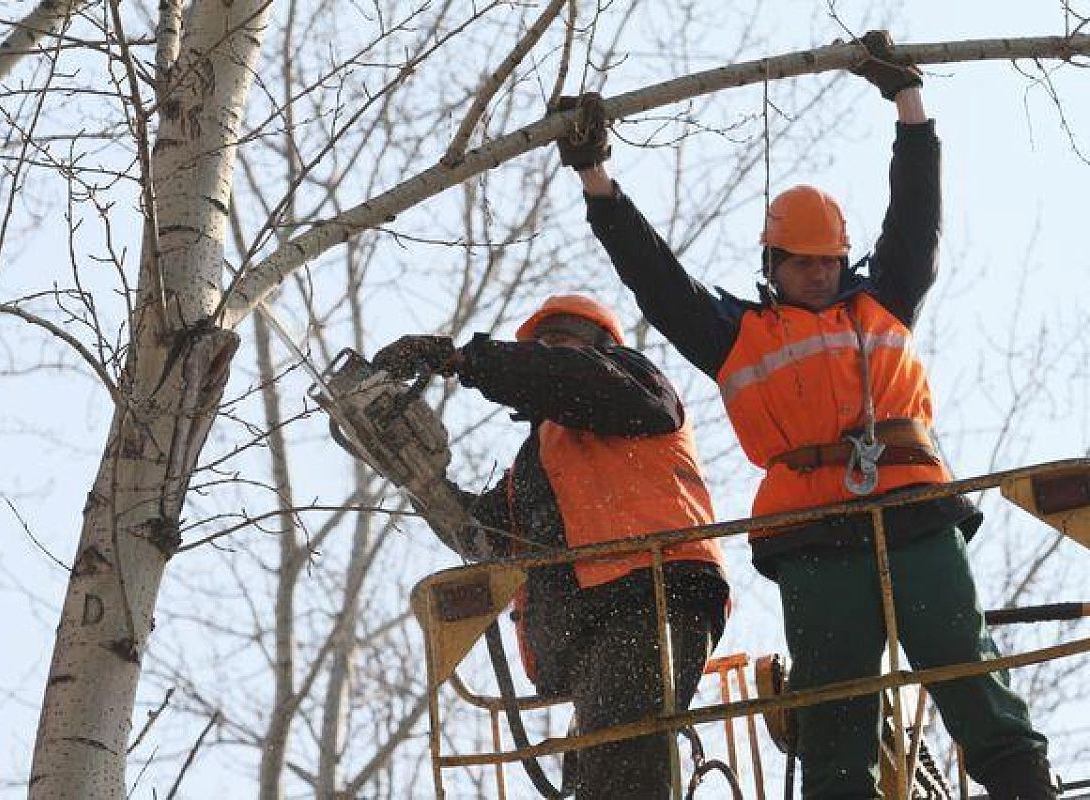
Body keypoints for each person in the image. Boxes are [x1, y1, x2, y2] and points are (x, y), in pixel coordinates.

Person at [555, 31, 1056, 800]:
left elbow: (916, 216)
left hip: (914, 510)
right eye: (801, 263)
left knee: (961, 657)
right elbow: (657, 281)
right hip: (815, 536)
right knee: (833, 698)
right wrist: (597, 179)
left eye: (828, 261)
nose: (819, 274)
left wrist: (908, 104)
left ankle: (1024, 786)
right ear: (773, 267)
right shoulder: (737, 336)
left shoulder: (883, 300)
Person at [372, 294, 730, 799]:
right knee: (593, 774)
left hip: (653, 596)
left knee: (618, 766)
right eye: (537, 346)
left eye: (558, 342)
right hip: (595, 627)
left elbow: (570, 377)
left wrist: (461, 360)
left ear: (600, 347)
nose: (544, 353)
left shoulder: (634, 384)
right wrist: (416, 476)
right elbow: (488, 536)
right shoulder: (537, 464)